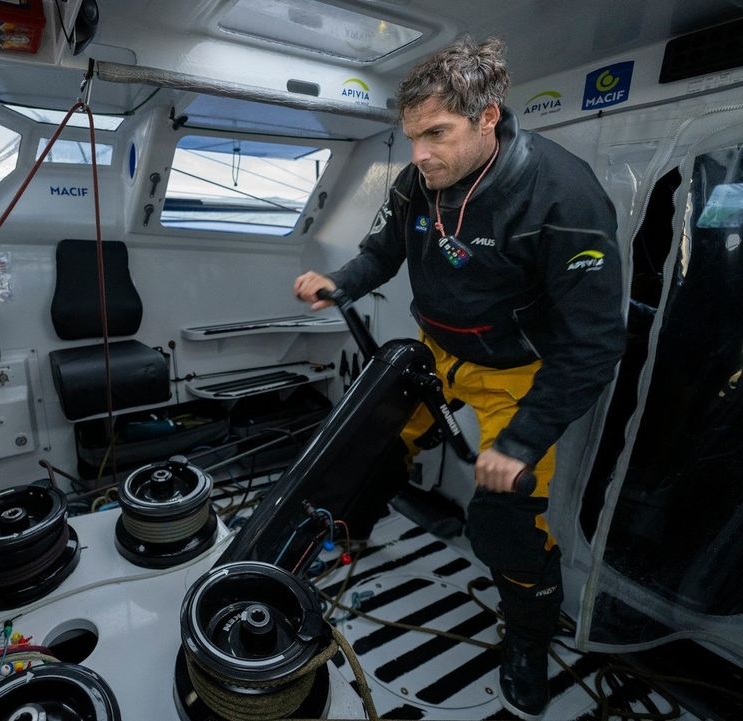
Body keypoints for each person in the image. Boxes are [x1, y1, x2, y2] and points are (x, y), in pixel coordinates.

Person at [294, 36, 624, 720]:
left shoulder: (563, 198)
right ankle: (345, 534)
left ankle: (529, 638)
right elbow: (382, 250)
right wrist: (340, 282)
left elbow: (593, 344)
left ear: (488, 118)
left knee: (503, 520)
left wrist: (524, 439)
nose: (419, 154)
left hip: (516, 375)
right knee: (372, 442)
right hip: (434, 349)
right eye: (411, 136)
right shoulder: (422, 179)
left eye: (436, 134)